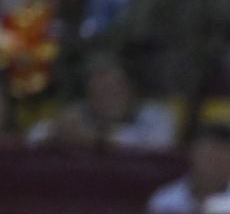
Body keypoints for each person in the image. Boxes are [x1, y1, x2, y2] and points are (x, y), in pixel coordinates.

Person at [28, 54, 176, 152]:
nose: (106, 100)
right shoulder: (81, 114)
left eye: (112, 90)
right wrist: (58, 130)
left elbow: (159, 145)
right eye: (98, 93)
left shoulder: (156, 115)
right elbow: (34, 135)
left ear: (130, 90)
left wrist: (99, 139)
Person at [147, 123, 230, 214]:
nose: (214, 164)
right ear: (193, 154)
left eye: (221, 158)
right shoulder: (164, 201)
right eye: (209, 156)